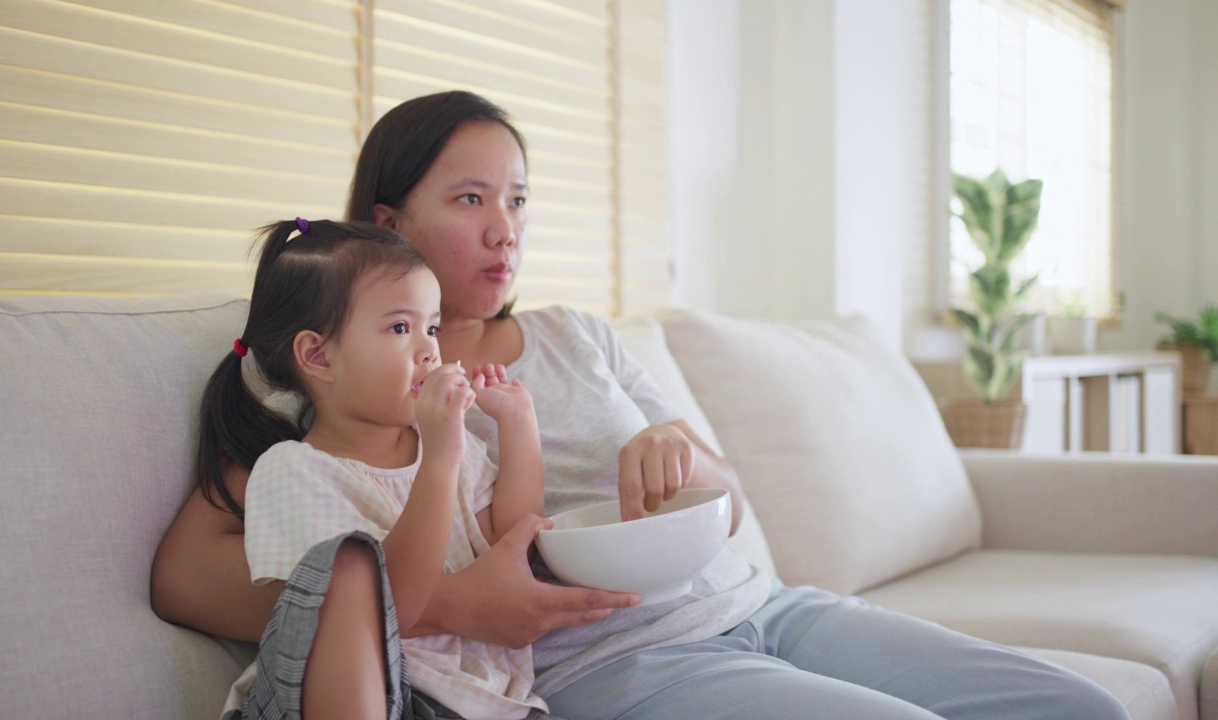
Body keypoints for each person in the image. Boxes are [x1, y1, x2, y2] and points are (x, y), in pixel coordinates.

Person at [153, 91, 1130, 720]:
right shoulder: (361, 377)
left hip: (761, 606)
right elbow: (190, 575)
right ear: (385, 220)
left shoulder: (580, 336)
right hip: (612, 661)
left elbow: (728, 505)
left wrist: (681, 452)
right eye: (468, 200)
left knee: (1075, 708)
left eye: (520, 201)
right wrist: (450, 603)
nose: (505, 230)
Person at [197, 218, 550, 720]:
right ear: (318, 356)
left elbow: (513, 541)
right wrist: (441, 458)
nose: (430, 348)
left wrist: (519, 428)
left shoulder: (448, 443)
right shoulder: (293, 472)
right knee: (350, 569)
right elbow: (390, 609)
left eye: (432, 327)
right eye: (401, 328)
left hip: (484, 702)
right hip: (372, 697)